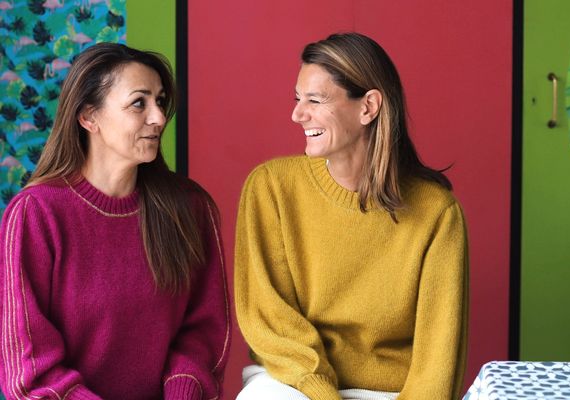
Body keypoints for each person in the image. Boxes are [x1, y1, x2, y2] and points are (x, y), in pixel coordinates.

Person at [234, 32, 468, 400]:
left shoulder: (437, 213)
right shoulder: (271, 188)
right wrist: (322, 393)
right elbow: (270, 319)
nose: (297, 114)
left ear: (368, 107)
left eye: (315, 100)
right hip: (294, 383)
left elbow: (438, 356)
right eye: (298, 99)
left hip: (391, 392)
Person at [0, 43, 230, 399]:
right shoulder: (34, 214)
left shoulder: (191, 208)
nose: (158, 117)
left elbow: (204, 332)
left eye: (160, 101)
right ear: (89, 117)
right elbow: (29, 367)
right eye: (139, 102)